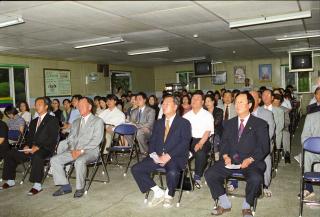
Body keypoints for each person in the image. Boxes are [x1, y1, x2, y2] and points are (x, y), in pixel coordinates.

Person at [205, 92, 269, 217]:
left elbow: (263, 147)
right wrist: (225, 156)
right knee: (210, 174)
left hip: (252, 161)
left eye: (241, 102)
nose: (237, 105)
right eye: (236, 102)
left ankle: (247, 206)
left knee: (256, 178)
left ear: (249, 105)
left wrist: (250, 159)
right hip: (231, 160)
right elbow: (224, 143)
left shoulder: (260, 124)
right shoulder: (229, 123)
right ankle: (224, 203)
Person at [131, 95, 191, 208]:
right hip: (158, 156)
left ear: (175, 107)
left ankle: (169, 195)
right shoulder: (158, 123)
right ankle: (158, 191)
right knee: (136, 169)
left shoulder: (184, 123)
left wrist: (168, 156)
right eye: (163, 104)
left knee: (173, 172)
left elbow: (184, 143)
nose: (163, 106)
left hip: (175, 156)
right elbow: (152, 141)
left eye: (167, 104)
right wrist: (154, 156)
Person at [0, 97, 59, 195]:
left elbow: (52, 139)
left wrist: (38, 147)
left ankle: (37, 185)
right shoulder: (34, 121)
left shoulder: (52, 120)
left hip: (46, 148)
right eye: (36, 105)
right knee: (10, 153)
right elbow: (29, 137)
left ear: (46, 106)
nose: (36, 106)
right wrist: (27, 145)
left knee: (37, 155)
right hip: (32, 147)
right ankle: (10, 180)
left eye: (39, 105)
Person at [51, 97, 104, 198]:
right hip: (74, 150)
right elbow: (70, 139)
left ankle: (80, 188)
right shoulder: (76, 122)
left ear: (89, 107)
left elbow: (96, 140)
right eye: (78, 106)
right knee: (54, 160)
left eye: (82, 105)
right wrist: (73, 149)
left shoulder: (98, 121)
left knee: (79, 161)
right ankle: (65, 186)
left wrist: (81, 151)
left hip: (90, 151)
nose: (79, 107)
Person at [183, 90, 214, 189]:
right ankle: (180, 176)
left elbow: (208, 132)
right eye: (193, 99)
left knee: (200, 153)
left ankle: (197, 176)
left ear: (202, 102)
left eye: (197, 99)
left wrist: (200, 143)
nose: (194, 100)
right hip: (189, 140)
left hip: (203, 140)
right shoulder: (186, 116)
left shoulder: (207, 115)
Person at [299, 111, 320, 199]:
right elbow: (304, 138)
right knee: (306, 154)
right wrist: (315, 144)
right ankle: (308, 188)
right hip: (314, 152)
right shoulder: (311, 117)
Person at [204, 94, 223, 161]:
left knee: (214, 139)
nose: (207, 103)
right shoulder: (203, 111)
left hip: (216, 131)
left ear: (213, 102)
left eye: (208, 101)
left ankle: (216, 156)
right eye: (205, 102)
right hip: (204, 131)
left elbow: (215, 123)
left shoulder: (219, 111)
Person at [273, 94, 291, 163]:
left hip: (282, 128)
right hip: (271, 129)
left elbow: (287, 122)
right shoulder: (269, 109)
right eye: (273, 103)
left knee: (286, 134)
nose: (275, 105)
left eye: (277, 103)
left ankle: (287, 153)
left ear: (280, 103)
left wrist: (281, 125)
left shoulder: (284, 110)